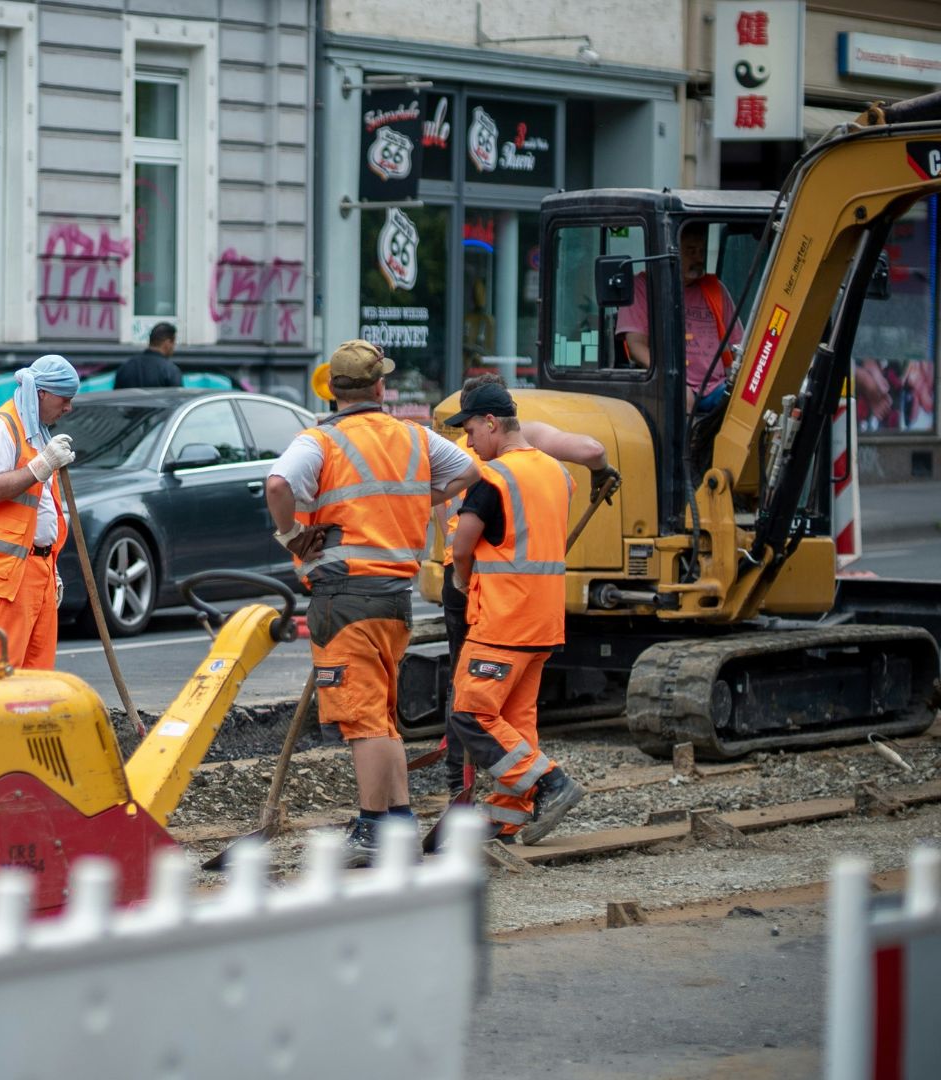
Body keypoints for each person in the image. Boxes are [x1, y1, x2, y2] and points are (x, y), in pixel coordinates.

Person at [264, 340, 478, 866]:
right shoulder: (414, 437)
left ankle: (372, 828)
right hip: (394, 597)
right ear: (380, 386)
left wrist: (291, 535)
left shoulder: (319, 441)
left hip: (345, 595)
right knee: (381, 718)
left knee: (361, 721)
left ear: (332, 389)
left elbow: (276, 484)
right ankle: (400, 822)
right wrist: (413, 501)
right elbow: (470, 471)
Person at [436, 372, 618, 801]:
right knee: (518, 717)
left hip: (496, 609)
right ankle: (508, 816)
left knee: (469, 707)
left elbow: (460, 545)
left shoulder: (487, 473)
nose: (468, 438)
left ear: (490, 421)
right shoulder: (554, 471)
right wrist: (603, 470)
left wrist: (461, 582)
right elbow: (590, 453)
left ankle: (545, 783)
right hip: (543, 616)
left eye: (471, 428)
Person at [0, 354, 80, 669]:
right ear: (41, 392)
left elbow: (41, 508)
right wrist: (42, 466)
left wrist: (51, 567)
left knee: (36, 680)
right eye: (65, 399)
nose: (68, 407)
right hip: (6, 577)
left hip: (37, 571)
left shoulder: (36, 432)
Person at [619, 225, 742, 410]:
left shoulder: (715, 290)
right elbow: (636, 345)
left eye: (701, 251)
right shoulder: (643, 288)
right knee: (682, 402)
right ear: (670, 252)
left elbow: (738, 344)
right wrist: (671, 381)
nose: (699, 258)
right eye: (691, 251)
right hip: (666, 386)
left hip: (716, 388)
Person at [113, 322, 182, 389]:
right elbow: (178, 399)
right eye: (174, 343)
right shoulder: (170, 370)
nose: (174, 348)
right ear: (168, 343)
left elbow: (116, 398)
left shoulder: (125, 367)